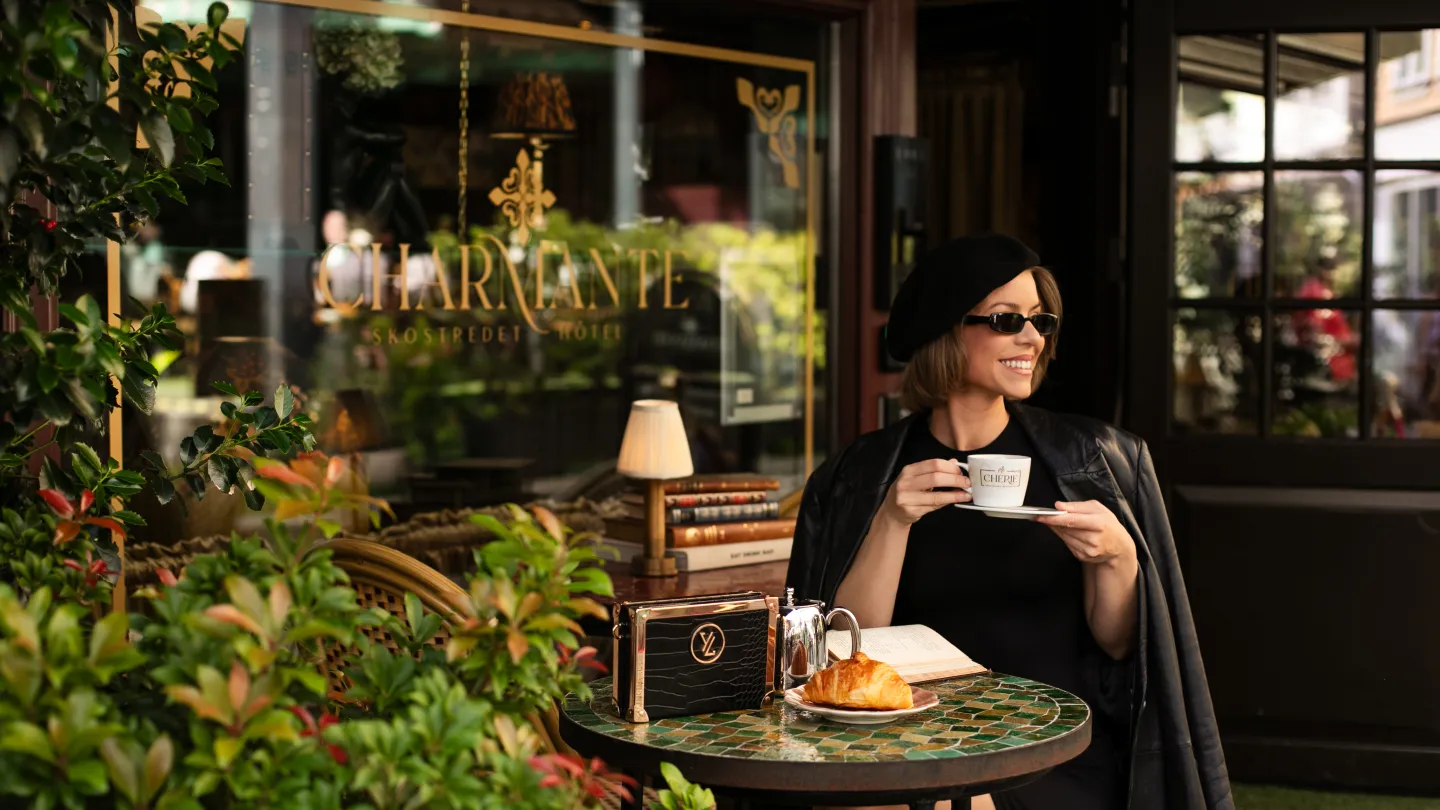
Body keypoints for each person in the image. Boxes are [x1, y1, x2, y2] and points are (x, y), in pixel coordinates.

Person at [785, 234, 1233, 810]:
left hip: (1053, 748)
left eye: (1040, 321)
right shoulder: (859, 474)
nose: (1032, 338)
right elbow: (846, 657)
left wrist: (1117, 558)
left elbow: (1121, 649)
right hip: (906, 741)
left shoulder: (1096, 459)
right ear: (946, 330)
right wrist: (892, 520)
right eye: (1005, 320)